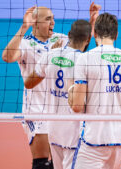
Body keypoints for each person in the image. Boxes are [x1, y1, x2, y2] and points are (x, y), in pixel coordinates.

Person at [1, 3, 100, 169]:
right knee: (41, 163)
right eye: (48, 19)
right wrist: (24, 27)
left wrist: (91, 22)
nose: (53, 22)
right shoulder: (25, 44)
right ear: (36, 23)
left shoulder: (60, 39)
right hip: (36, 110)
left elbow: (81, 45)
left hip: (59, 110)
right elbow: (7, 57)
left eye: (53, 18)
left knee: (58, 162)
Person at [69, 13, 121, 169]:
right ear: (116, 35)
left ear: (95, 33)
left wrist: (70, 88)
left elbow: (77, 106)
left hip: (95, 139)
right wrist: (119, 100)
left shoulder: (85, 59)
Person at [24, 19, 92, 169]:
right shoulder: (85, 61)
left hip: (53, 128)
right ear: (88, 39)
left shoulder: (49, 55)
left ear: (69, 35)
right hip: (74, 132)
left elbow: (28, 83)